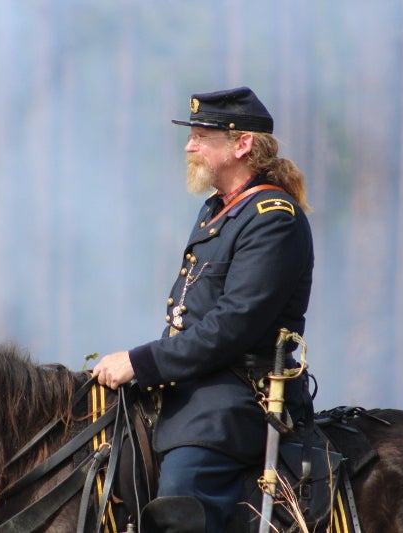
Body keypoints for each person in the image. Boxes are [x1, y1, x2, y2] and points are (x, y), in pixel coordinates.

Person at [93, 86, 314, 533]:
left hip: (239, 398)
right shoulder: (220, 208)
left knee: (182, 496)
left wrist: (141, 361)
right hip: (195, 386)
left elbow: (230, 327)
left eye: (201, 136)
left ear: (242, 144)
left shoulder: (273, 216)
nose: (189, 146)